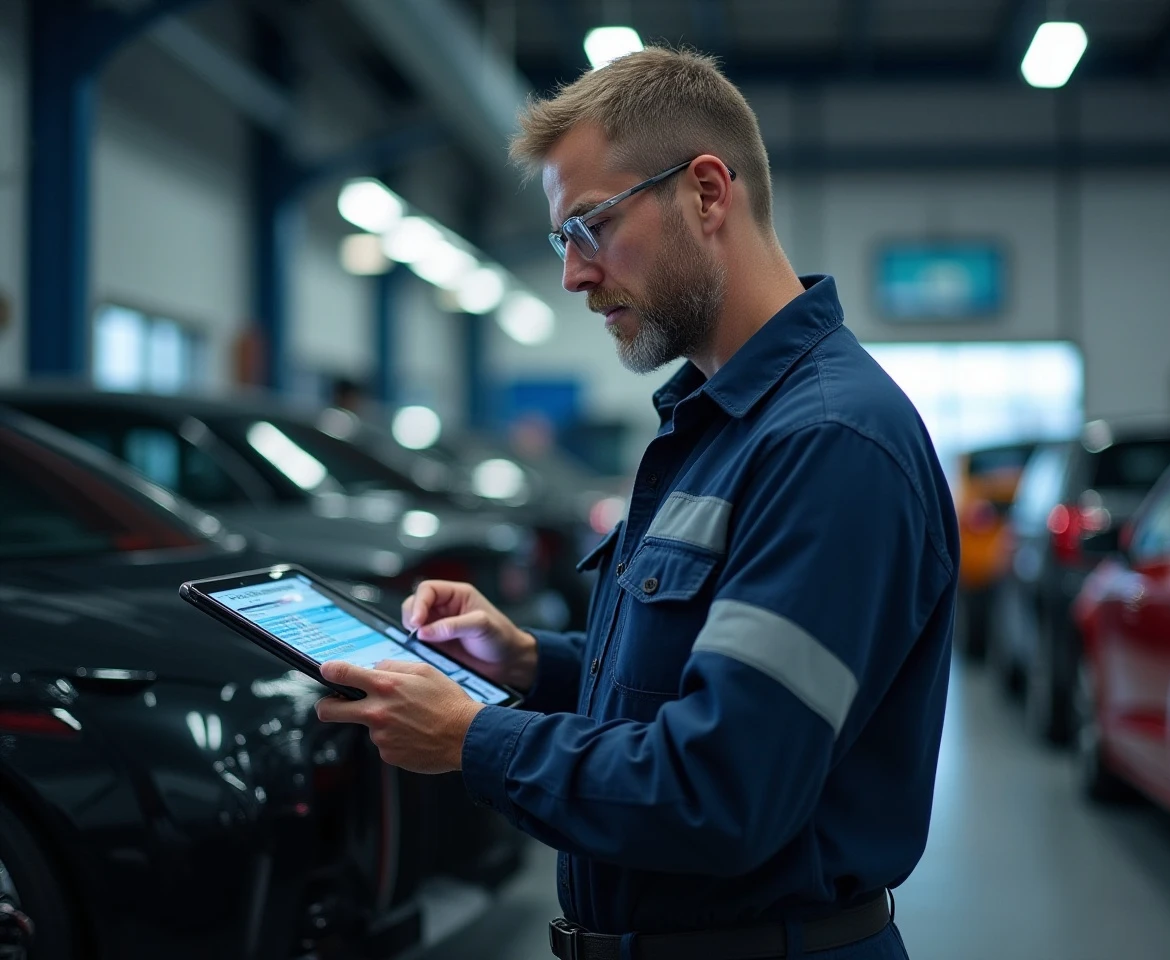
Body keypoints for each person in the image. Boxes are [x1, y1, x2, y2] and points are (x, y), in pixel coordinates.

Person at [316, 46, 958, 960]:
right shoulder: (719, 425)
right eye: (561, 241)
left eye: (591, 227)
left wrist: (474, 739)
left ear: (705, 193)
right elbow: (690, 686)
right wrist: (531, 663)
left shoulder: (828, 443)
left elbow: (722, 787)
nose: (574, 275)